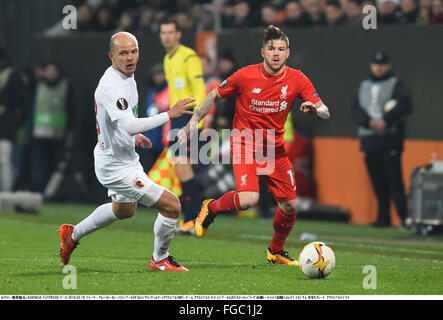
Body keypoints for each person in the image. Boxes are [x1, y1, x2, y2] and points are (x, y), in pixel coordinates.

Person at [179, 25, 330, 265]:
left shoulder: (297, 79)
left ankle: (275, 251)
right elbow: (214, 96)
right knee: (249, 199)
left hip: (274, 149)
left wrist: (315, 110)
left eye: (281, 49)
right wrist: (195, 120)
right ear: (263, 52)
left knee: (290, 206)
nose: (276, 53)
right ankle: (212, 207)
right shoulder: (245, 76)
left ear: (288, 53)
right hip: (245, 143)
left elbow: (325, 111)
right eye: (271, 49)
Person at [58, 32, 196, 272]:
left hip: (122, 157)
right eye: (123, 53)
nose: (130, 57)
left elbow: (122, 122)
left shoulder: (127, 78)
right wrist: (168, 115)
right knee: (172, 206)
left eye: (134, 51)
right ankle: (160, 259)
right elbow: (128, 123)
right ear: (112, 56)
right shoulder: (111, 85)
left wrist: (132, 135)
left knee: (124, 210)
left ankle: (72, 235)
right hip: (115, 166)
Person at [352, 51, 412, 228]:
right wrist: (368, 121)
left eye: (382, 64)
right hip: (370, 140)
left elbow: (405, 104)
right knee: (377, 181)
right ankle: (383, 218)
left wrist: (386, 120)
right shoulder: (364, 86)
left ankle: (404, 218)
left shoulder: (396, 84)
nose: (378, 67)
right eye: (376, 64)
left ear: (388, 65)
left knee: (394, 181)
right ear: (371, 65)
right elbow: (355, 109)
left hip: (390, 139)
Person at [159, 18, 207, 235]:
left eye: (170, 32)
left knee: (184, 166)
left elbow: (199, 90)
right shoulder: (168, 59)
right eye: (163, 32)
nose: (166, 36)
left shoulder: (189, 57)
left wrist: (197, 121)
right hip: (176, 119)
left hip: (189, 118)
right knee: (181, 167)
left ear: (178, 34)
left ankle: (193, 219)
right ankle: (192, 219)